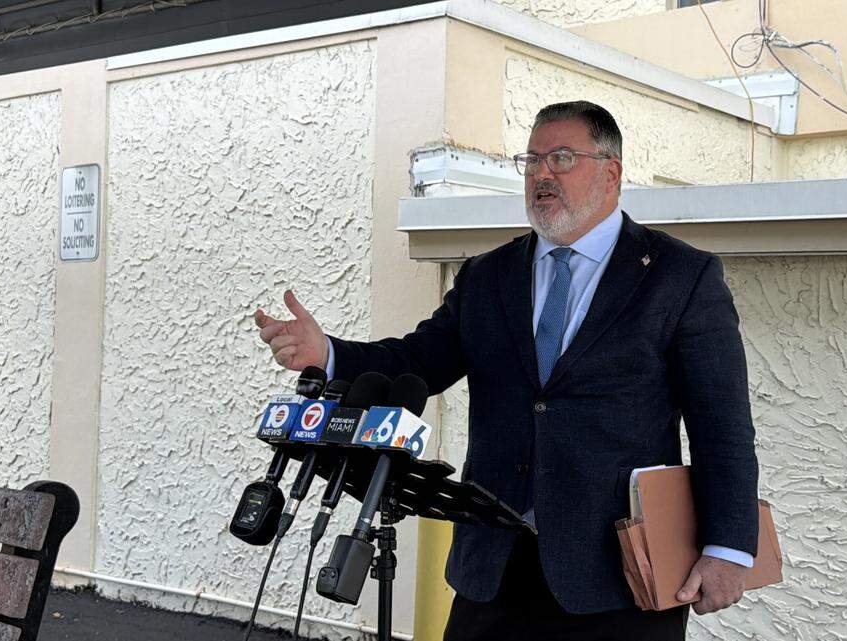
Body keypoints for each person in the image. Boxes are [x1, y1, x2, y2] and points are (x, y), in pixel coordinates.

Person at [255, 101, 758, 640]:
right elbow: (418, 363)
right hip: (492, 565)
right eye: (532, 159)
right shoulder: (487, 276)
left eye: (561, 157)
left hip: (617, 577)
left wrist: (727, 549)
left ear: (611, 172)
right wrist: (327, 353)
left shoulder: (680, 277)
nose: (542, 173)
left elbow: (721, 425)